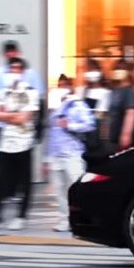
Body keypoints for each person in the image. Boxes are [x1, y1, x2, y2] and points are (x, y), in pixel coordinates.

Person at [0, 58, 40, 231]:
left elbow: (25, 118)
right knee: (0, 181)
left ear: (23, 72)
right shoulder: (2, 93)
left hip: (24, 143)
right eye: (11, 69)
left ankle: (20, 216)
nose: (14, 72)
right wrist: (13, 116)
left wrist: (7, 115)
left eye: (17, 69)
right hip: (5, 143)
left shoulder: (31, 93)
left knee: (24, 181)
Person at [44, 75, 95, 232]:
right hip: (56, 154)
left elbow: (90, 124)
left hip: (73, 153)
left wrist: (70, 125)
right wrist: (46, 158)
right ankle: (64, 220)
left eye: (66, 84)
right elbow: (50, 132)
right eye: (60, 85)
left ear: (71, 86)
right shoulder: (54, 108)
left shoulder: (77, 104)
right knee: (59, 189)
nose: (63, 87)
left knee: (77, 187)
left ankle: (85, 217)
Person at [108, 60, 134, 151]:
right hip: (113, 137)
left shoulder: (129, 91)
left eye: (121, 69)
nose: (118, 72)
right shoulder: (114, 90)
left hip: (123, 140)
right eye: (116, 69)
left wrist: (126, 135)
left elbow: (131, 113)